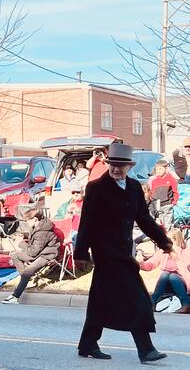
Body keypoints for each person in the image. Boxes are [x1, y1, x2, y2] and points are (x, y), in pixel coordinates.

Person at [74, 142, 174, 363]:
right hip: (105, 252)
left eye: (121, 165)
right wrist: (80, 252)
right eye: (113, 164)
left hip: (124, 249)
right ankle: (146, 349)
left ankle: (88, 343)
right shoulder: (96, 188)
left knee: (100, 298)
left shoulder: (134, 187)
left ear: (129, 166)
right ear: (108, 164)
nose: (116, 169)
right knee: (136, 298)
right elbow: (86, 222)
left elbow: (144, 220)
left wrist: (164, 242)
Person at [2, 202, 60, 304]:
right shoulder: (39, 226)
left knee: (27, 272)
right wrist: (23, 239)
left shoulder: (42, 232)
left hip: (47, 255)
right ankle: (25, 280)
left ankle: (15, 296)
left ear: (35, 219)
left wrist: (20, 243)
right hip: (40, 252)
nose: (26, 223)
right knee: (15, 255)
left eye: (27, 221)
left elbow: (33, 253)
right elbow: (34, 247)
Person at [139, 228, 190, 314]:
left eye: (168, 240)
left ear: (176, 240)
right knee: (165, 274)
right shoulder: (163, 251)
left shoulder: (185, 252)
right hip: (165, 283)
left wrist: (176, 255)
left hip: (182, 283)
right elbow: (151, 264)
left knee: (173, 276)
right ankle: (152, 302)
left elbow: (186, 269)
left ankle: (186, 304)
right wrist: (141, 264)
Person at [148, 160, 179, 228]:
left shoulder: (171, 179)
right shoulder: (154, 181)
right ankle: (162, 235)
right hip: (158, 205)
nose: (158, 171)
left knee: (168, 223)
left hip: (168, 204)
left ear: (166, 169)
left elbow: (175, 191)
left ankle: (168, 235)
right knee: (160, 222)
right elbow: (152, 192)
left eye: (160, 169)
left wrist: (174, 202)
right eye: (157, 169)